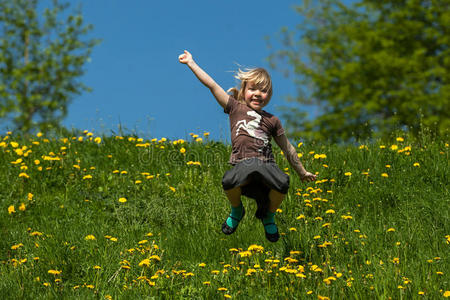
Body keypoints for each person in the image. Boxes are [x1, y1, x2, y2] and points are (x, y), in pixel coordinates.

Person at [178, 50, 316, 242]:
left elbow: (287, 148)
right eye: (253, 89)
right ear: (243, 90)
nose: (258, 94)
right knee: (227, 181)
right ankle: (237, 210)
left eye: (264, 90)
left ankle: (268, 214)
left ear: (270, 95)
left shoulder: (272, 120)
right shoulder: (235, 108)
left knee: (283, 183)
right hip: (243, 167)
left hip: (267, 168)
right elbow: (211, 85)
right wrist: (191, 63)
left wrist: (302, 172)